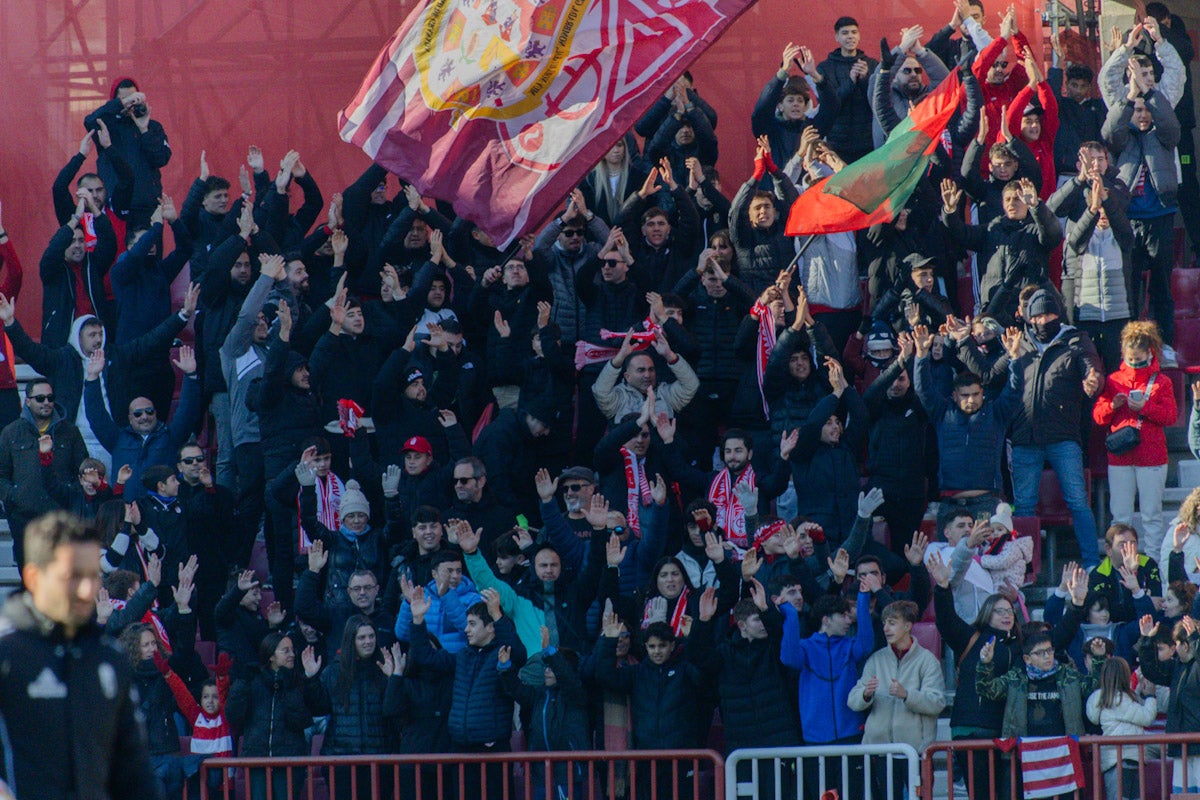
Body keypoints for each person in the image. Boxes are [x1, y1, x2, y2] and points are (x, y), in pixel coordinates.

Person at [0, 511, 161, 798]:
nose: (87, 589)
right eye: (72, 576)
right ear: (34, 578)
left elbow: (134, 772)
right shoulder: (8, 655)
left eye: (92, 576)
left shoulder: (109, 658)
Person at [1008, 288, 1104, 568]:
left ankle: (1090, 564)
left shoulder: (1075, 339)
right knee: (1023, 505)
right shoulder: (1019, 342)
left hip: (1063, 436)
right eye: (1037, 315)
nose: (1042, 321)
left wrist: (1092, 380)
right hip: (1025, 436)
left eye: (1049, 314)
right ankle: (1024, 567)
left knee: (1077, 500)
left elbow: (1091, 367)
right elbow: (993, 373)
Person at [1102, 48, 1183, 366]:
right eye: (1136, 110)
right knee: (1130, 289)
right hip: (1128, 221)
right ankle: (1131, 348)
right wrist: (1130, 95)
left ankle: (1164, 346)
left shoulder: (1163, 136)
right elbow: (1109, 134)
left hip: (1160, 217)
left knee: (1162, 288)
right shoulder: (1124, 138)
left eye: (1146, 110)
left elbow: (1172, 126)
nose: (1143, 114)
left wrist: (1149, 93)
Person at [407, 587, 526, 800]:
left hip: (492, 751)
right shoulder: (462, 656)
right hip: (461, 749)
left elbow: (519, 653)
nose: (466, 630)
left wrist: (498, 616)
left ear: (491, 628)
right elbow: (425, 657)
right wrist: (417, 620)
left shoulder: (503, 655)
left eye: (472, 624)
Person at [780, 583, 873, 799]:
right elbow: (788, 658)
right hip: (815, 741)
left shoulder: (850, 646)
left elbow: (866, 644)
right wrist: (791, 616)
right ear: (826, 619)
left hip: (851, 736)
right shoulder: (804, 647)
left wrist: (863, 597)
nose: (849, 621)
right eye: (843, 615)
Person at [1093, 321, 1177, 558]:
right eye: (1130, 359)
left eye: (1138, 359)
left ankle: (1152, 564)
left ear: (1150, 352)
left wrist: (1145, 408)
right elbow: (1099, 417)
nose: (1134, 363)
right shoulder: (1113, 380)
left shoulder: (1162, 382)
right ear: (1123, 353)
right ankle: (1120, 565)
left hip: (1151, 457)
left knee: (1151, 515)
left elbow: (1170, 416)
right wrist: (1112, 405)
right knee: (1120, 517)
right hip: (1121, 457)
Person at [848, 600, 946, 800]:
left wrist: (907, 695)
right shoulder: (876, 659)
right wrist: (865, 694)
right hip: (880, 753)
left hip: (915, 754)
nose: (885, 628)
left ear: (908, 626)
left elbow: (937, 702)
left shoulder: (928, 661)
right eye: (884, 622)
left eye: (892, 622)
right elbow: (853, 700)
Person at [0, 379, 89, 573]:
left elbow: (83, 470)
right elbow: (1, 475)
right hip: (24, 519)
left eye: (50, 398)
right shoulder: (10, 433)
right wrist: (14, 496)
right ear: (27, 401)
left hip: (60, 518)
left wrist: (69, 494)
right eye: (40, 398)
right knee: (30, 581)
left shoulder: (70, 432)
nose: (46, 402)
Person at [226, 631, 323, 800]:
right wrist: (240, 683)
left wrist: (311, 679)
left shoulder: (298, 681)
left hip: (290, 760)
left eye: (292, 650)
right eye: (285, 651)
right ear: (271, 656)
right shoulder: (252, 681)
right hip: (257, 760)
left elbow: (312, 713)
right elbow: (233, 716)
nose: (292, 655)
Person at [307, 616, 395, 800]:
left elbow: (393, 711)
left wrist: (393, 680)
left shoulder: (383, 669)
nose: (368, 642)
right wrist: (312, 679)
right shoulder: (333, 672)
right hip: (341, 760)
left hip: (379, 760)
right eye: (361, 638)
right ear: (351, 640)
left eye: (371, 636)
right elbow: (318, 709)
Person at [1137, 614, 1200, 794]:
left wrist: (1196, 639)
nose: (1175, 648)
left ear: (1186, 645)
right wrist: (1147, 640)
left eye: (1178, 644)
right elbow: (1151, 670)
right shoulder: (1176, 668)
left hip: (1198, 746)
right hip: (1180, 747)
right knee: (1182, 795)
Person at [1087, 656, 1159, 800]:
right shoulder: (1119, 699)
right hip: (1125, 759)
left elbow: (1132, 708)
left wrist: (1139, 687)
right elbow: (1146, 717)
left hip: (1117, 761)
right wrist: (1150, 696)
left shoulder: (1107, 699)